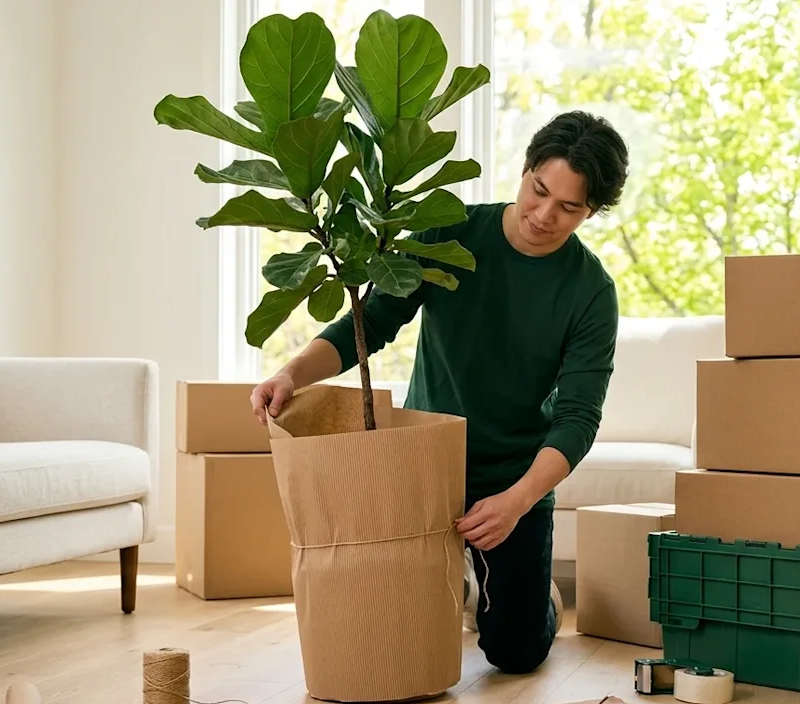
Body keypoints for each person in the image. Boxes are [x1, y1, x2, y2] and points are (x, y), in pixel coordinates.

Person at [250, 110, 629, 675]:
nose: (543, 215)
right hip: (425, 461)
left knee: (517, 654)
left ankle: (535, 600)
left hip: (513, 479)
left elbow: (578, 417)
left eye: (569, 208)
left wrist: (517, 502)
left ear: (591, 211)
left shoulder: (591, 291)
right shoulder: (450, 232)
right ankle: (470, 584)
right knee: (387, 629)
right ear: (525, 170)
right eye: (538, 190)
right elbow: (372, 322)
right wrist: (291, 374)